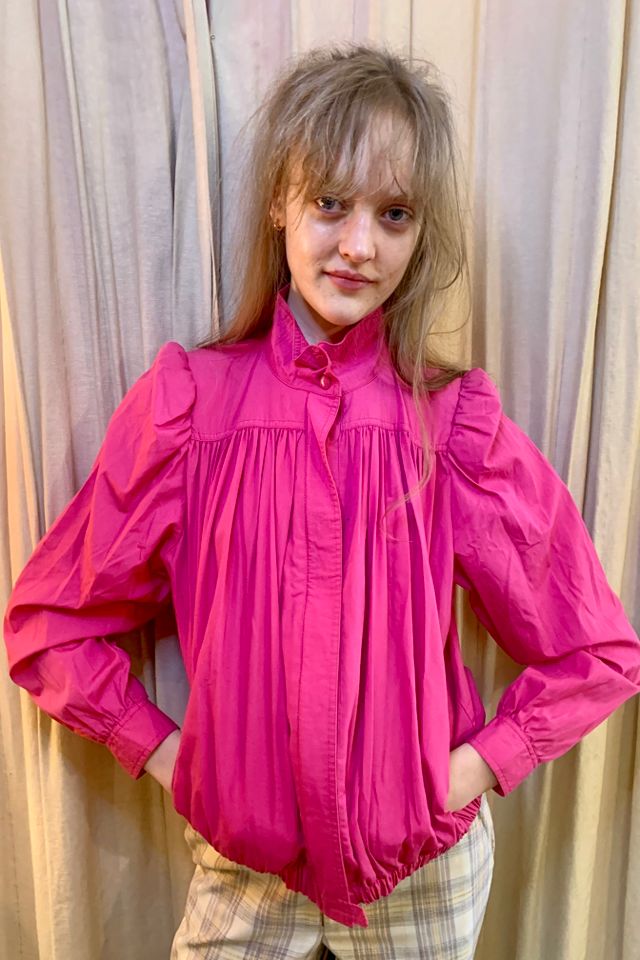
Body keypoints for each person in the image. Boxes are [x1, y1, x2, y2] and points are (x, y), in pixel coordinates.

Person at [4, 42, 640, 960]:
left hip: (425, 873)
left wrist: (467, 773)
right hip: (243, 873)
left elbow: (596, 649)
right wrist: (181, 764)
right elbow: (50, 625)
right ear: (280, 203)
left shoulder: (452, 426)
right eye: (331, 203)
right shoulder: (191, 409)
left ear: (420, 233)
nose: (359, 246)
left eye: (394, 213)